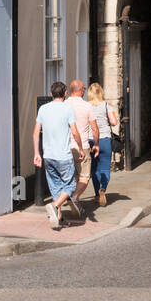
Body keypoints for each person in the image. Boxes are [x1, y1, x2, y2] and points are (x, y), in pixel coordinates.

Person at [33, 81, 83, 229]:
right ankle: (54, 206)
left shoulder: (43, 109)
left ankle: (58, 219)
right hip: (64, 156)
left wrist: (37, 153)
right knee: (70, 185)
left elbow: (35, 133)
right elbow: (74, 131)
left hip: (48, 156)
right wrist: (80, 148)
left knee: (56, 188)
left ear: (50, 94)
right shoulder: (67, 109)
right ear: (65, 93)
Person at [67, 79, 99, 209]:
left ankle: (76, 202)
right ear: (80, 90)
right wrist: (96, 144)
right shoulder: (87, 106)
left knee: (73, 177)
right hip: (83, 147)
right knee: (84, 177)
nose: (85, 91)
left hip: (66, 147)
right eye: (84, 89)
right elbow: (95, 129)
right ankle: (74, 198)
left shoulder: (64, 104)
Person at [87, 82, 118, 206]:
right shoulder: (106, 105)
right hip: (105, 139)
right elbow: (114, 122)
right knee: (105, 167)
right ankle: (103, 189)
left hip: (91, 140)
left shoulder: (86, 106)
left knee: (95, 168)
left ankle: (96, 194)